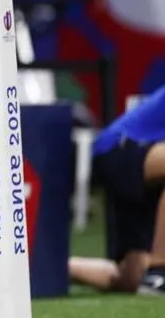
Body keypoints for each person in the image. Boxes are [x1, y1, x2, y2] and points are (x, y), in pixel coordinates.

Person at [69, 86, 165, 294]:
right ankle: (159, 270)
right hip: (120, 149)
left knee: (130, 277)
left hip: (145, 163)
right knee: (152, 276)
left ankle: (47, 267)